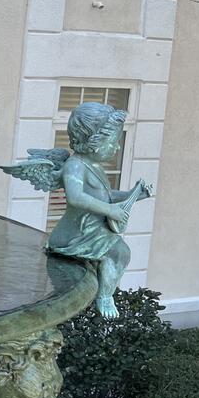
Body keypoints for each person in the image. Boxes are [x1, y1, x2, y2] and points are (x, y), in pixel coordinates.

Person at [49, 101, 148, 319]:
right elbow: (75, 197)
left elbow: (107, 196)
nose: (118, 148)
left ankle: (105, 294)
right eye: (114, 142)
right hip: (76, 235)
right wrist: (110, 210)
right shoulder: (74, 165)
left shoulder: (94, 166)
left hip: (93, 230)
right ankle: (105, 296)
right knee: (119, 253)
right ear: (94, 142)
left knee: (121, 253)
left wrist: (134, 195)